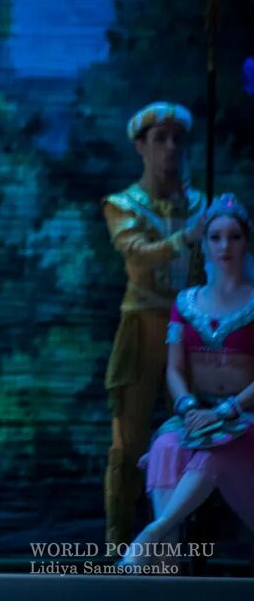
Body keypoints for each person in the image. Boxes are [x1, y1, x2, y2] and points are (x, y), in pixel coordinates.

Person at [122, 194, 254, 565]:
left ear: (246, 242)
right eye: (215, 237)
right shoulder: (185, 303)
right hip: (197, 413)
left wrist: (226, 410)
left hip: (245, 416)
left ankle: (155, 531)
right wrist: (189, 407)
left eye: (234, 237)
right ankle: (167, 563)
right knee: (166, 444)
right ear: (204, 243)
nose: (225, 246)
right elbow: (174, 369)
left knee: (217, 446)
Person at [102, 102, 206, 545]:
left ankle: (187, 546)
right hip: (144, 327)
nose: (171, 148)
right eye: (160, 139)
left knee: (197, 438)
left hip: (195, 330)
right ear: (140, 146)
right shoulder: (124, 205)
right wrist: (185, 238)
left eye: (177, 139)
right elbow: (138, 255)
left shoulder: (199, 205)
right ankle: (118, 545)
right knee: (128, 444)